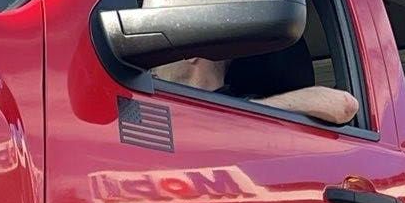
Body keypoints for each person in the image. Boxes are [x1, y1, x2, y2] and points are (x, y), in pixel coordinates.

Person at [154, 55, 360, 126]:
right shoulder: (155, 103)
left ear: (191, 54)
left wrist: (244, 114)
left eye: (161, 46)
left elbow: (345, 105)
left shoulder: (248, 106)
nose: (151, 63)